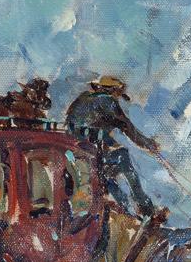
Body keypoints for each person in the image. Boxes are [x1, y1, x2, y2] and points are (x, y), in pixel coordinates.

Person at [65, 75, 161, 217]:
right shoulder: (107, 101)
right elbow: (126, 126)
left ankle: (128, 212)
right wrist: (148, 144)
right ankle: (146, 208)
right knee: (123, 157)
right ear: (112, 90)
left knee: (108, 176)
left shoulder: (83, 99)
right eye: (118, 91)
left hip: (76, 155)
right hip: (92, 155)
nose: (119, 95)